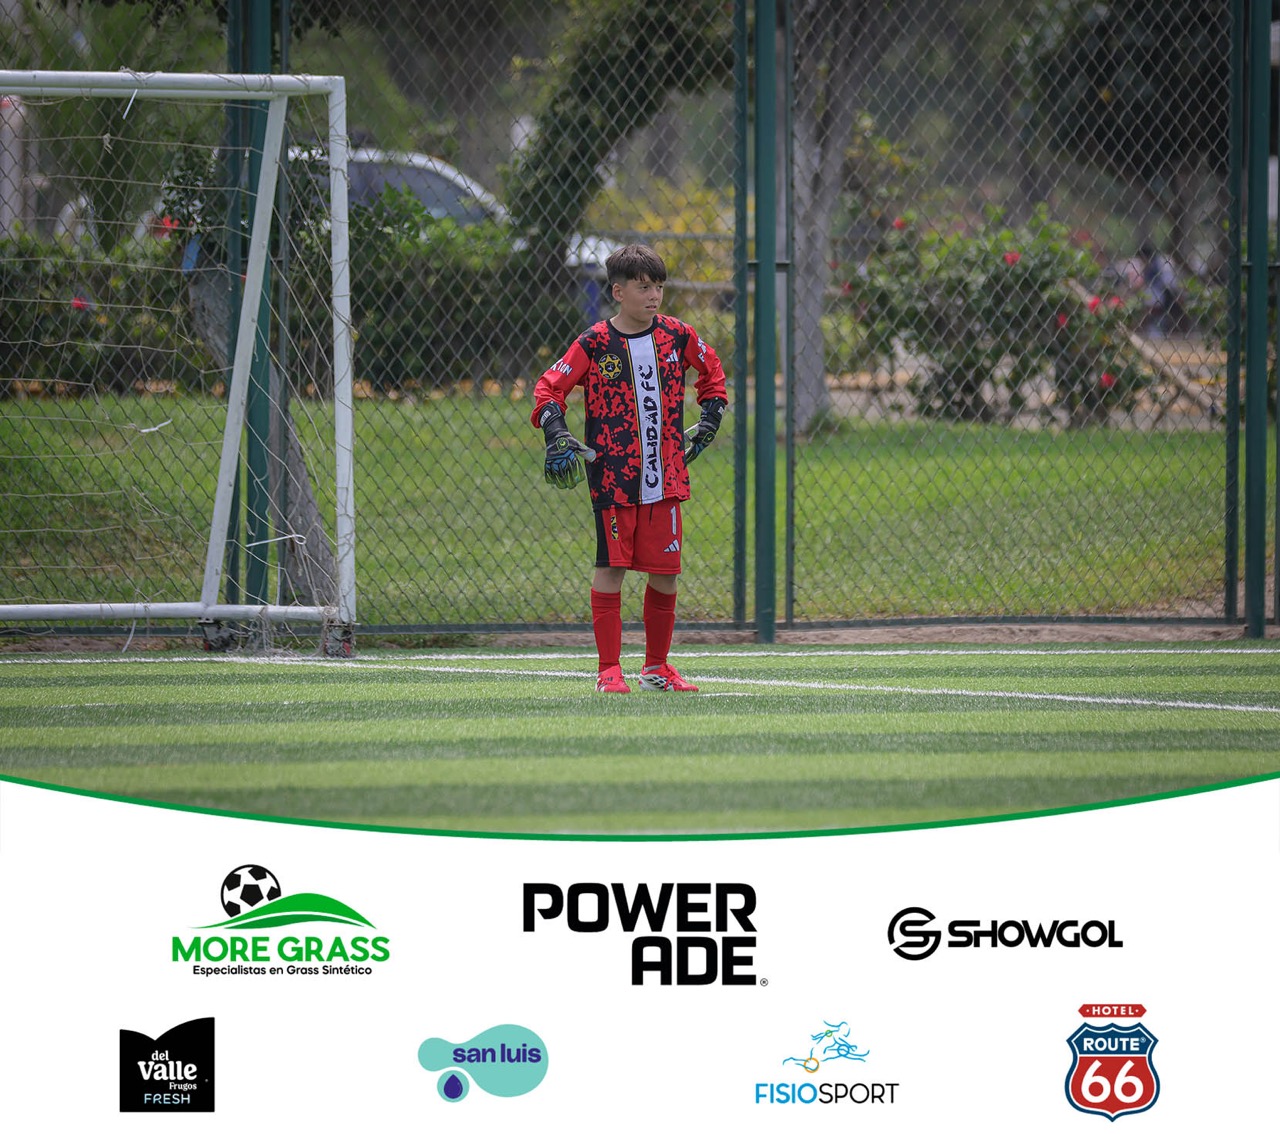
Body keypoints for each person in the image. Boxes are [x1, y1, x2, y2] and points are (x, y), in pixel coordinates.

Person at [531, 243, 728, 693]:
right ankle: (609, 670)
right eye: (643, 287)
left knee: (667, 573)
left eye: (658, 286)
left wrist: (711, 416)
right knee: (612, 568)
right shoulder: (594, 342)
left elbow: (712, 372)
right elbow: (548, 388)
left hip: (667, 476)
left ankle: (657, 668)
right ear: (618, 292)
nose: (654, 295)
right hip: (614, 478)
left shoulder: (678, 335)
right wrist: (555, 430)